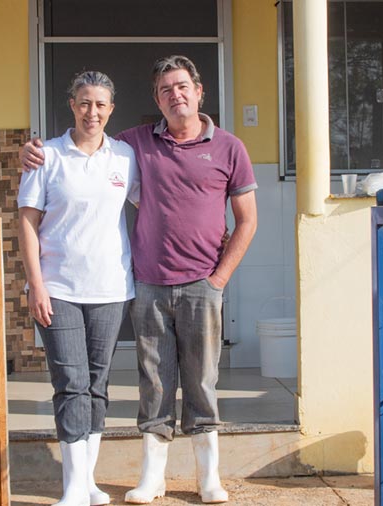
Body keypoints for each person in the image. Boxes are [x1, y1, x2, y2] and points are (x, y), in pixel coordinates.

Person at [22, 55, 257, 505]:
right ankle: (153, 478)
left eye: (183, 86)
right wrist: (28, 152)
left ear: (199, 91)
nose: (176, 95)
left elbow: (248, 220)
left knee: (202, 380)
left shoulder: (228, 147)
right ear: (156, 99)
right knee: (153, 380)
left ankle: (208, 477)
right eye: (166, 89)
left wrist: (220, 278)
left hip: (201, 284)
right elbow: (81, 147)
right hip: (147, 283)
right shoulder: (134, 145)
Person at [18, 70, 138, 506]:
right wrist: (36, 285)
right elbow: (27, 224)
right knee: (70, 382)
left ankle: (88, 480)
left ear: (111, 109)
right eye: (85, 102)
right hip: (59, 287)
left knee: (98, 384)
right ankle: (71, 488)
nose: (93, 112)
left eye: (101, 104)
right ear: (72, 104)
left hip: (110, 287)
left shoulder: (125, 157)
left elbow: (157, 200)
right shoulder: (46, 156)